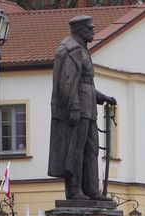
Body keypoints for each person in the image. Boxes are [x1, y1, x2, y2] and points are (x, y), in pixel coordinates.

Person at [48, 15, 116, 201]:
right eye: (90, 28)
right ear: (79, 30)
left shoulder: (83, 50)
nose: (93, 31)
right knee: (75, 150)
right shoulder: (70, 49)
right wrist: (74, 107)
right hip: (77, 110)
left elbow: (86, 83)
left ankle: (91, 189)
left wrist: (102, 97)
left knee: (91, 149)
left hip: (88, 109)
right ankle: (74, 190)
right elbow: (67, 83)